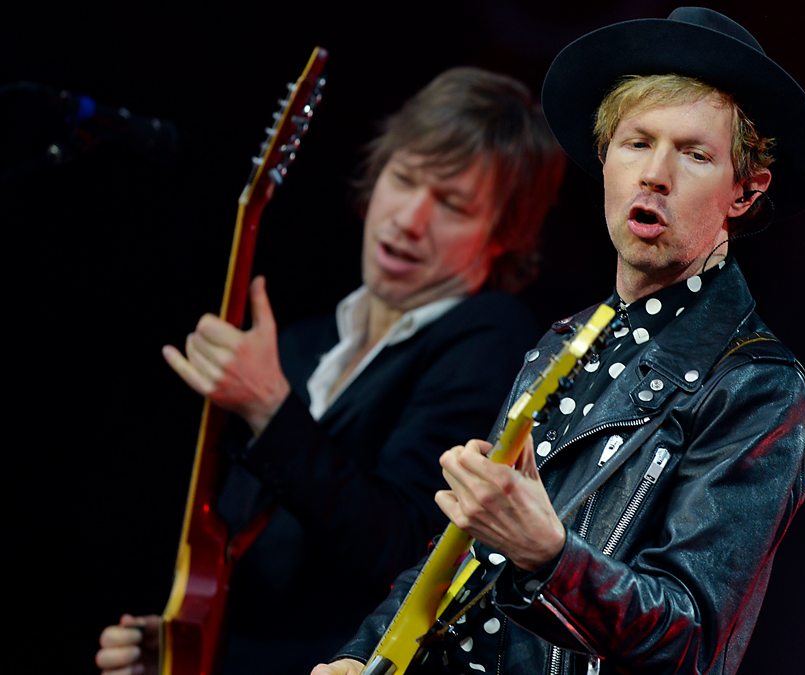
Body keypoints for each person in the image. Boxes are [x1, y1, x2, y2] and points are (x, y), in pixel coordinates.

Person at [316, 7, 805, 675]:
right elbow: (457, 553)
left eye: (695, 154)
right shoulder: (561, 342)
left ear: (745, 191)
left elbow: (690, 638)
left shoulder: (758, 385)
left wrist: (549, 556)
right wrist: (361, 654)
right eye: (637, 143)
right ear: (605, 158)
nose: (655, 174)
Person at [94, 66, 567, 675]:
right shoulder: (300, 345)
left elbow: (406, 549)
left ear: (503, 233)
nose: (409, 219)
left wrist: (270, 409)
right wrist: (182, 643)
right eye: (404, 179)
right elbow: (252, 568)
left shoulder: (490, 335)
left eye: (452, 204)